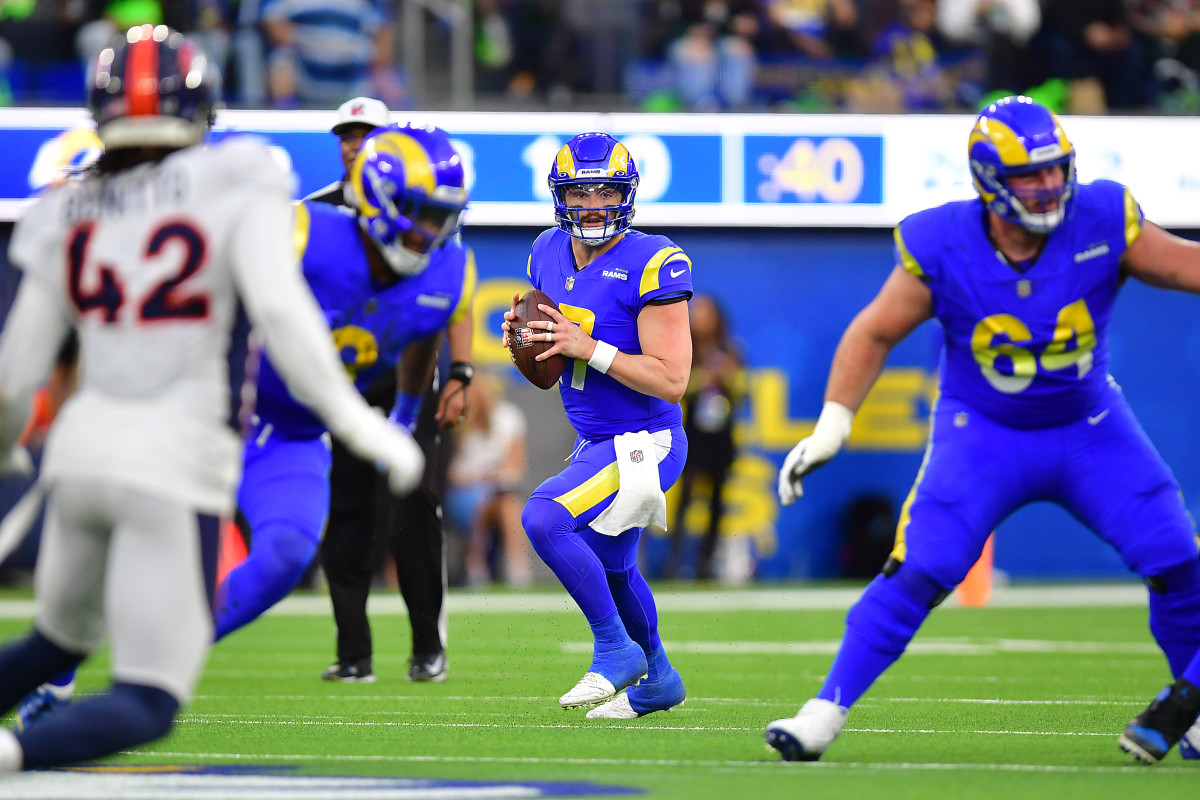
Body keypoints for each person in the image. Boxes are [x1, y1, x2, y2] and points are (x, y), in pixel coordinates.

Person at [0, 24, 422, 771]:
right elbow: (282, 312)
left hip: (80, 454)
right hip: (175, 458)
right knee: (147, 701)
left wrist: (8, 452)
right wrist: (356, 421)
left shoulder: (62, 209)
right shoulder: (237, 175)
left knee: (54, 644)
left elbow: (12, 382)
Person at [764, 95, 1200, 763]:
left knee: (1177, 560)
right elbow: (874, 331)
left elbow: (1189, 266)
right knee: (922, 565)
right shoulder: (943, 240)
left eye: (1055, 169)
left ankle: (1190, 711)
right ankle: (824, 710)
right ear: (989, 180)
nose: (1048, 185)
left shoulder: (1104, 215)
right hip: (984, 433)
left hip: (1089, 428)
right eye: (1029, 175)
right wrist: (832, 424)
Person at [213, 122, 474, 648]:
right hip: (212, 411)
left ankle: (155, 665)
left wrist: (404, 415)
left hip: (292, 433)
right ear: (377, 198)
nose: (429, 231)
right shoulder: (303, 233)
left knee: (287, 553)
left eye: (440, 217)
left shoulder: (448, 275)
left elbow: (424, 333)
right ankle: (63, 668)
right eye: (419, 212)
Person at [500, 132, 692, 719]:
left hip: (646, 440)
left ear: (626, 195)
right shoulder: (546, 250)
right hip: (595, 439)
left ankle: (614, 648)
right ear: (559, 197)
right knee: (611, 564)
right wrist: (527, 339)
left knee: (544, 517)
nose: (592, 204)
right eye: (579, 193)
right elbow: (551, 345)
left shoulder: (654, 260)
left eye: (606, 191)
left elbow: (671, 379)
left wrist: (589, 348)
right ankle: (659, 677)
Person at [309, 98, 476, 685]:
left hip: (405, 373)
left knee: (414, 504)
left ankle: (428, 645)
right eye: (347, 136)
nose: (356, 145)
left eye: (367, 135)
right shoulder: (315, 214)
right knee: (347, 508)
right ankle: (353, 651)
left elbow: (451, 299)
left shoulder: (426, 211)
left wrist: (460, 372)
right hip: (341, 381)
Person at [665, 293, 742, 581]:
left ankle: (705, 564)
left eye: (706, 314)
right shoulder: (685, 349)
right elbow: (677, 387)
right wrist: (702, 378)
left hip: (720, 436)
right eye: (696, 314)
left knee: (717, 501)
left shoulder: (730, 350)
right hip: (694, 434)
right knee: (685, 498)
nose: (700, 319)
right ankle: (674, 561)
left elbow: (742, 391)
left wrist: (727, 376)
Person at [446, 374, 533, 589]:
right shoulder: (457, 419)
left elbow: (515, 470)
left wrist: (490, 476)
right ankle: (475, 561)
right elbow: (451, 474)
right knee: (481, 501)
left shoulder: (509, 418)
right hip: (463, 494)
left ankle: (517, 566)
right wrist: (480, 475)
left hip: (497, 493)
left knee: (510, 504)